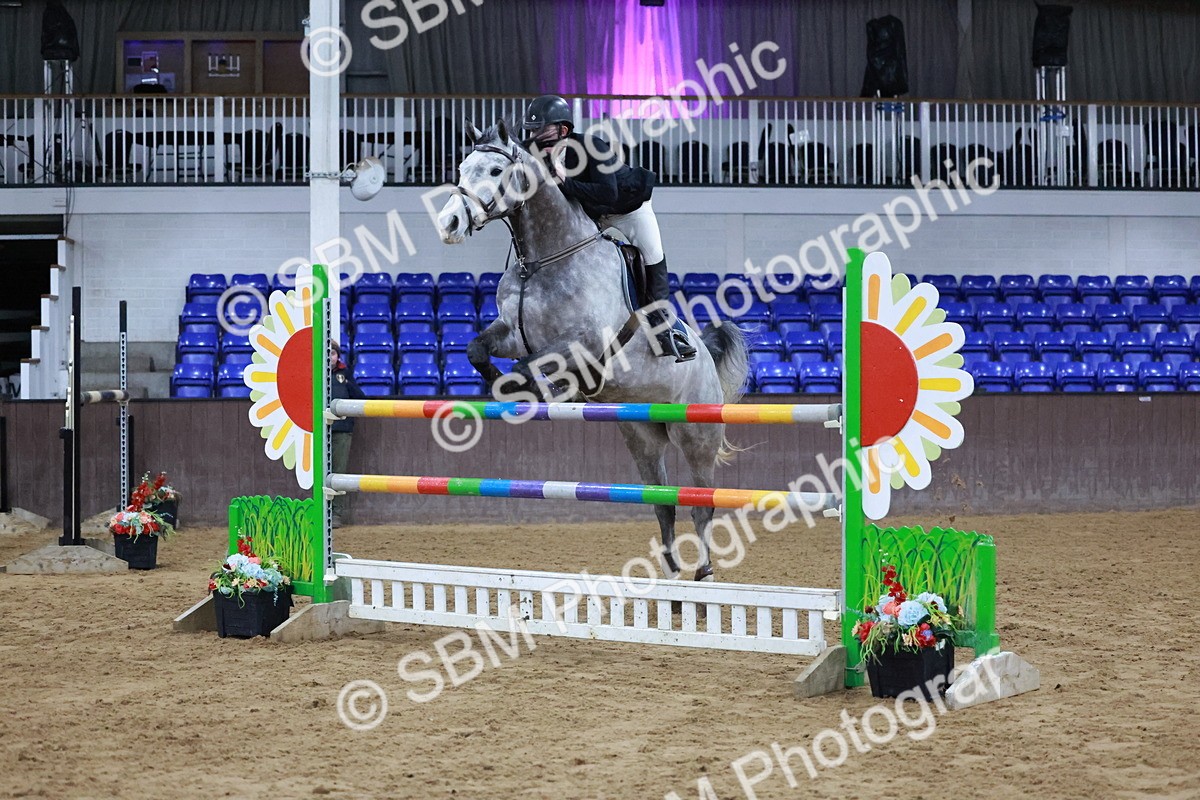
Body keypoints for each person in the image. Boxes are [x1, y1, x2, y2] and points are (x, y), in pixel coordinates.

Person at [522, 94, 696, 362]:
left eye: (540, 129)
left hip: (628, 209)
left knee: (652, 255)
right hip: (591, 215)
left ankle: (665, 330)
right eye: (532, 130)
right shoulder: (537, 150)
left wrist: (565, 184)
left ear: (563, 130)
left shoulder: (591, 146)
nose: (534, 136)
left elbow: (608, 193)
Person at [329, 340, 364, 528]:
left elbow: (359, 397)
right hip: (318, 431)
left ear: (338, 356)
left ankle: (337, 513)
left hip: (341, 430)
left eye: (333, 353)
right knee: (319, 473)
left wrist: (348, 384)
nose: (330, 357)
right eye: (326, 353)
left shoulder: (345, 374)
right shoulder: (314, 375)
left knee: (338, 472)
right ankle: (321, 510)